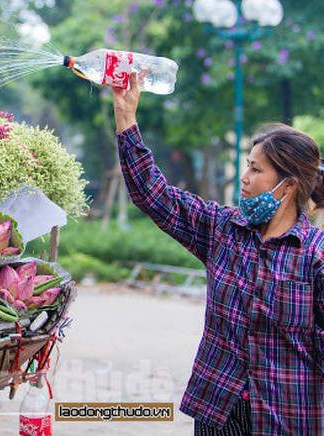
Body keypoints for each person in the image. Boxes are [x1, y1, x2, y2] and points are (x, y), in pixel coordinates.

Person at [112, 73, 323, 435]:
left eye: (256, 170)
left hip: (285, 417)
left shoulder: (315, 256)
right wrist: (126, 117)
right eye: (246, 165)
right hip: (217, 410)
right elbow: (154, 194)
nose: (244, 177)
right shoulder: (224, 230)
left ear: (287, 186)